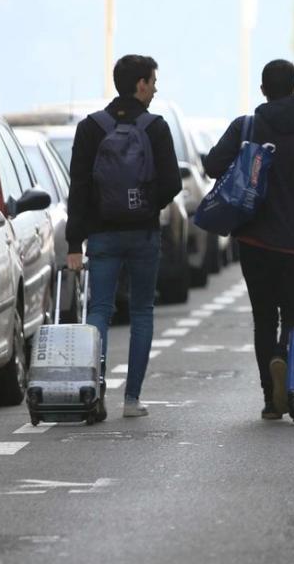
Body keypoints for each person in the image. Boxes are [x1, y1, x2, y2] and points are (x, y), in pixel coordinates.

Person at [204, 59, 294, 421]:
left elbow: (212, 166)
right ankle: (283, 359)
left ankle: (269, 399)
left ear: (263, 89)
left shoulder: (246, 127)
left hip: (253, 240)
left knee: (263, 318)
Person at [67, 54, 182, 419]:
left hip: (102, 235)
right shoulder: (155, 127)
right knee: (142, 311)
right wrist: (146, 205)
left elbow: (78, 188)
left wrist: (74, 243)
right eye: (153, 82)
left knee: (99, 310)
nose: (155, 89)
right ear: (140, 85)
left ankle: (93, 393)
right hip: (143, 234)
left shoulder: (91, 128)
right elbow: (173, 184)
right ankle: (131, 400)